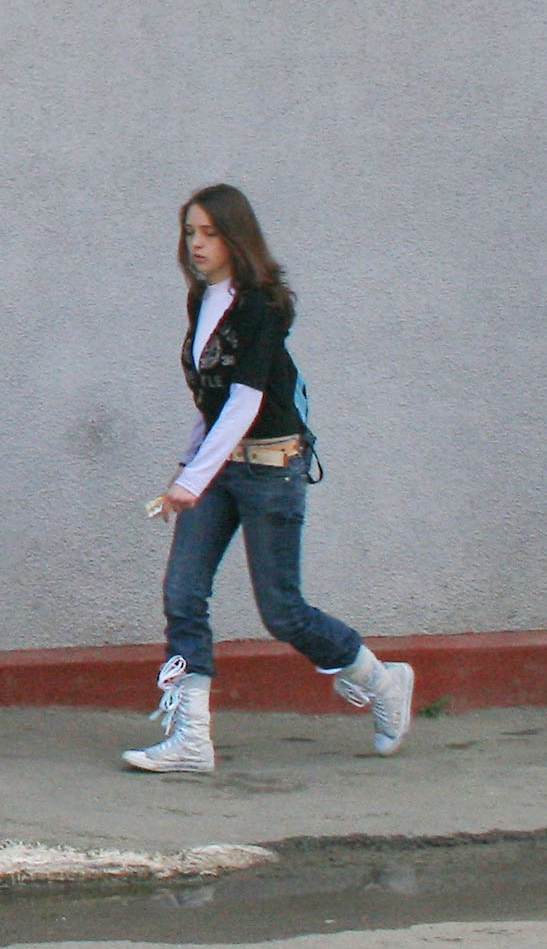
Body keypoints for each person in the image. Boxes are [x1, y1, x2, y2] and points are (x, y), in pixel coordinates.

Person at [124, 184, 415, 775]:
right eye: (190, 233)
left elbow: (245, 403)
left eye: (209, 233)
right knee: (183, 594)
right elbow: (211, 403)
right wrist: (190, 470)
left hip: (271, 469)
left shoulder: (262, 304)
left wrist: (191, 480)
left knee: (281, 611)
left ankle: (382, 682)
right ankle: (191, 740)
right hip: (220, 467)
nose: (198, 245)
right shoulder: (200, 300)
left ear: (236, 237)